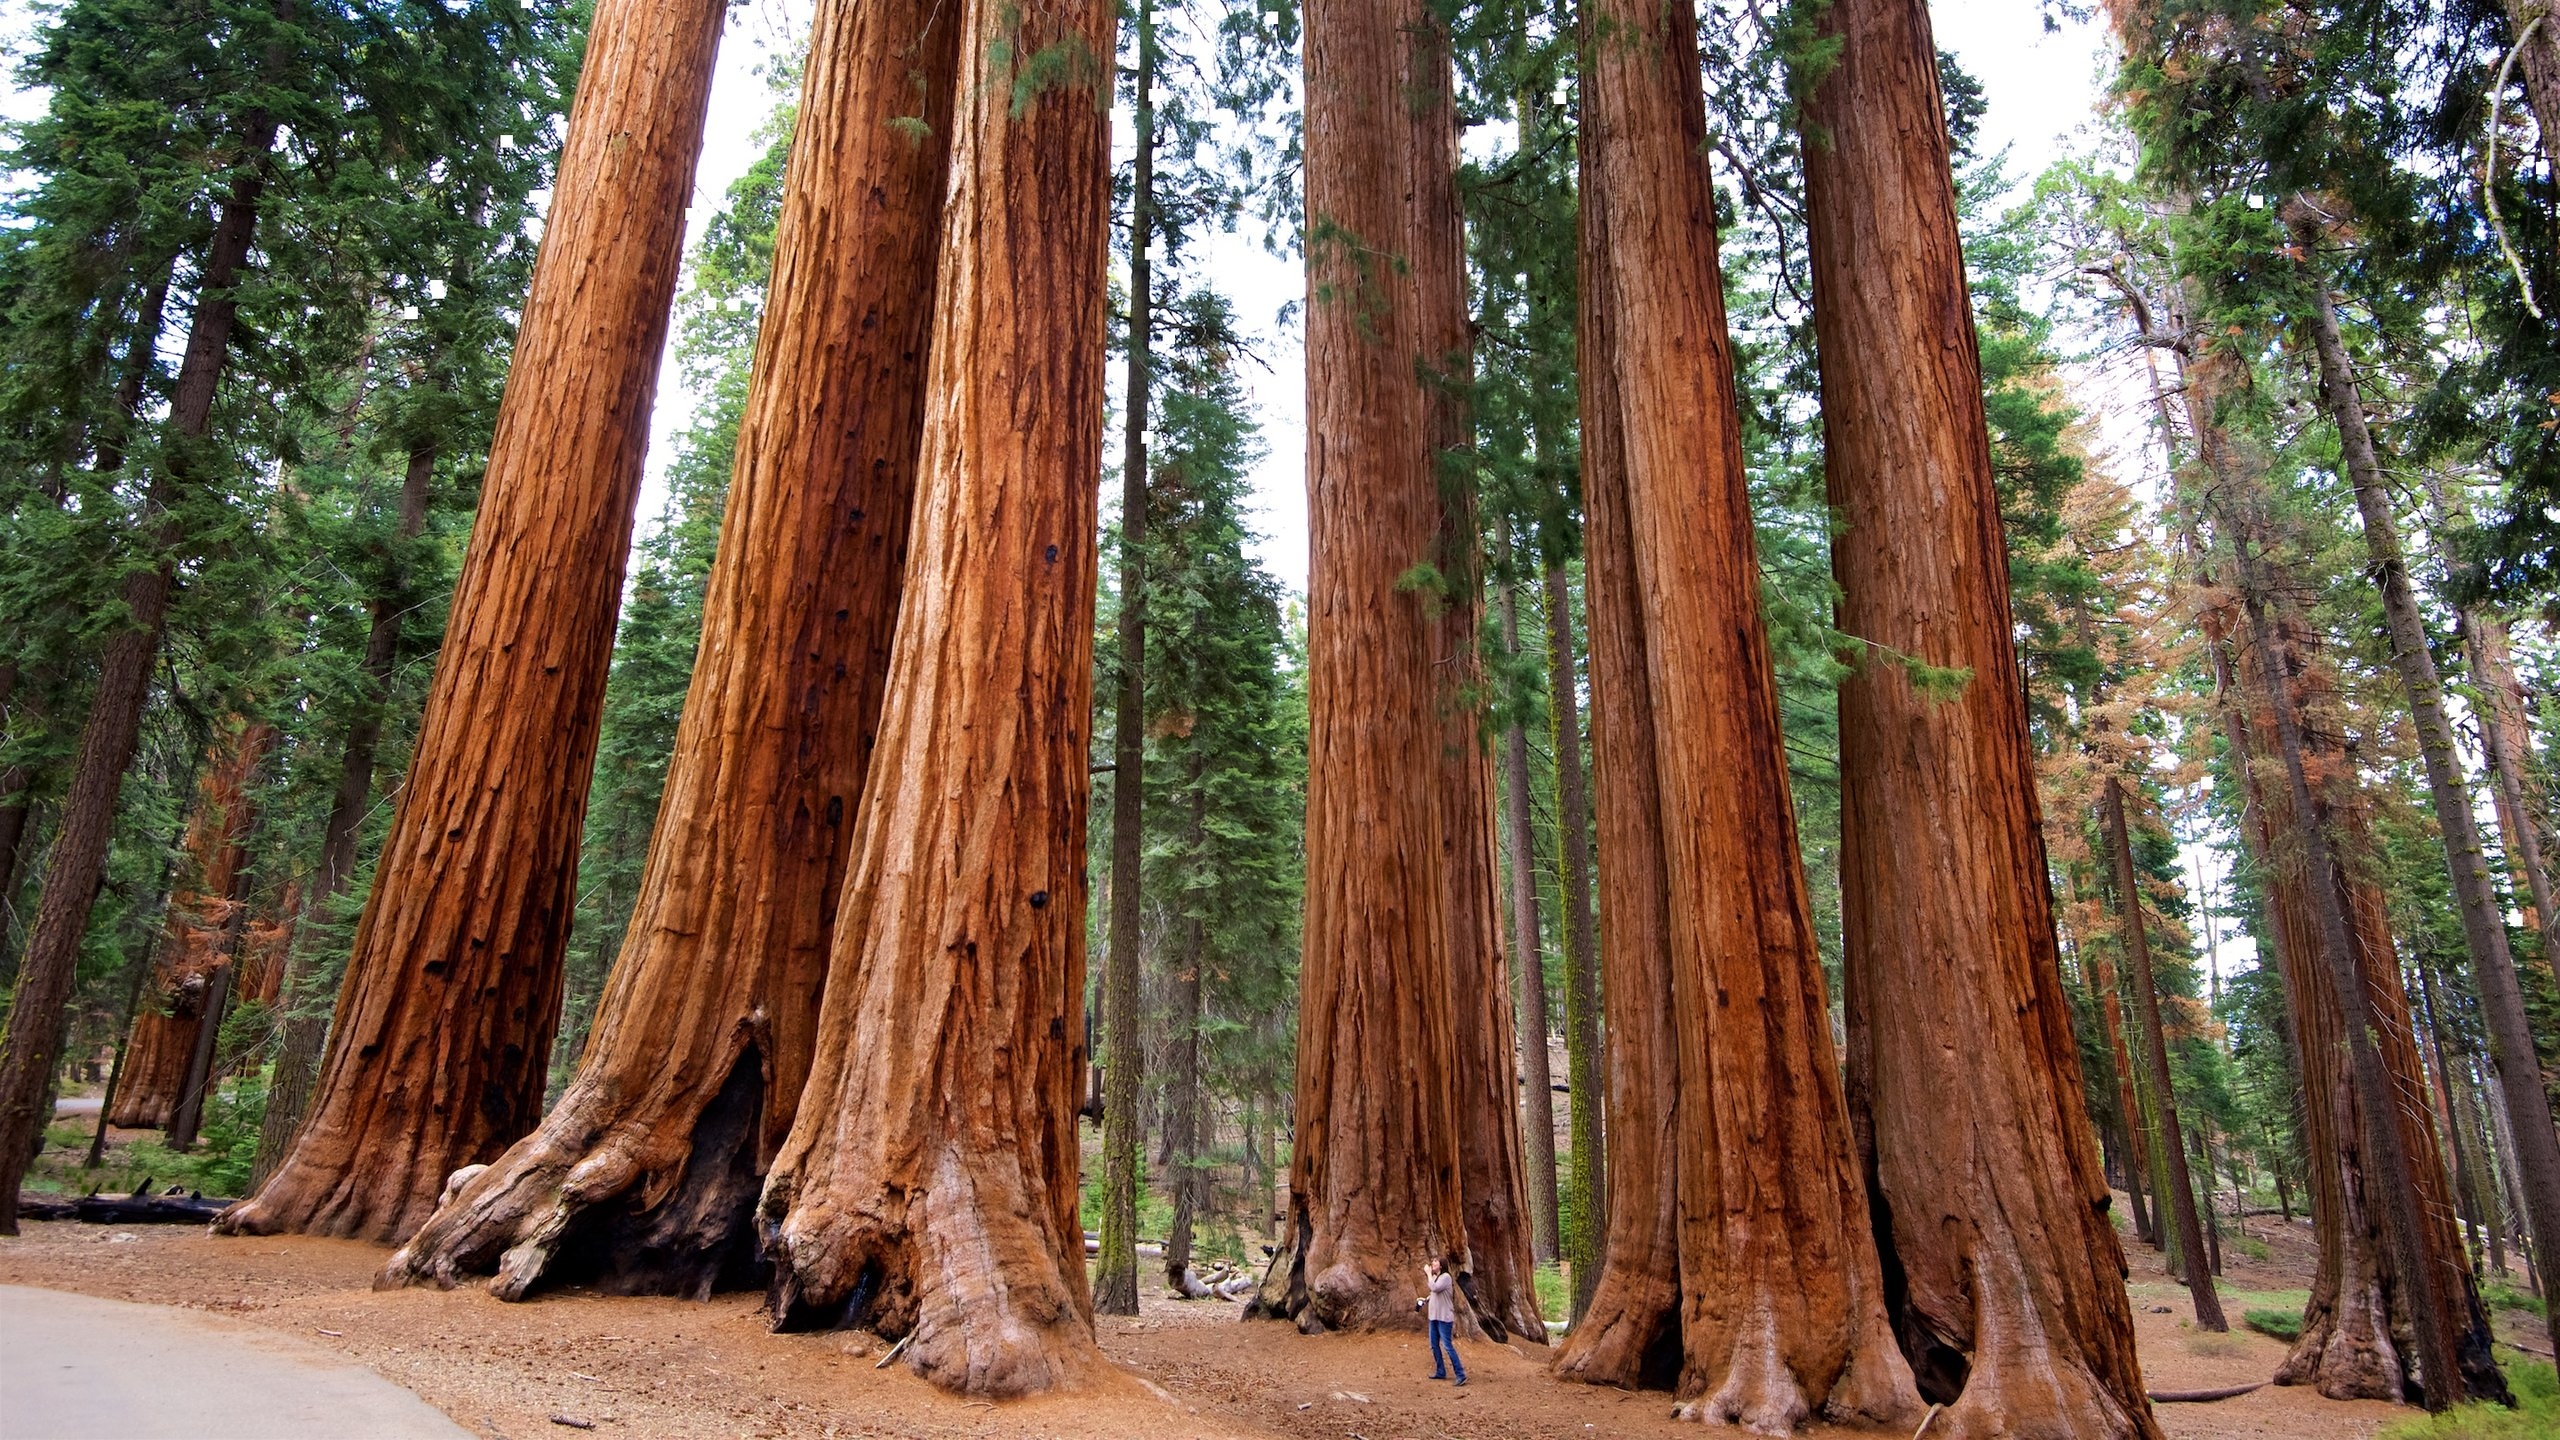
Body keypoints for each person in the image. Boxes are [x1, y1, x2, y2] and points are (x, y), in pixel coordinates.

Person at [1424, 1257, 1466, 1385]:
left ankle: (1460, 1374)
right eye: (1432, 1261)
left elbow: (1435, 1287)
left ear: (1441, 1265)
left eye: (1435, 1261)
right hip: (1434, 1317)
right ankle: (1440, 1371)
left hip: (1444, 1318)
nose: (1432, 1263)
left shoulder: (1446, 1277)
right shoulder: (1437, 1278)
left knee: (1447, 1346)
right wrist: (1426, 1299)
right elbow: (1435, 1293)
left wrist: (1428, 1274)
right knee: (1434, 1345)